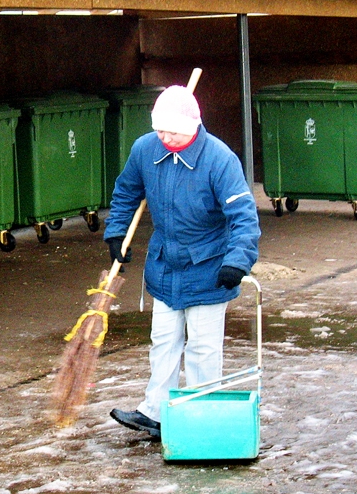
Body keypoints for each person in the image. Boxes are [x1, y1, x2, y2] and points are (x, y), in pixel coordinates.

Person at [103, 85, 260, 439]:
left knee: (203, 348)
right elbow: (127, 191)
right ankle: (155, 412)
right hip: (165, 265)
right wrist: (116, 232)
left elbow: (243, 216)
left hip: (209, 267)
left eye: (172, 131)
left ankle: (200, 412)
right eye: (159, 130)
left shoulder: (219, 159)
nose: (165, 138)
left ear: (192, 126)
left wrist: (238, 260)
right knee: (163, 340)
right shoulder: (146, 149)